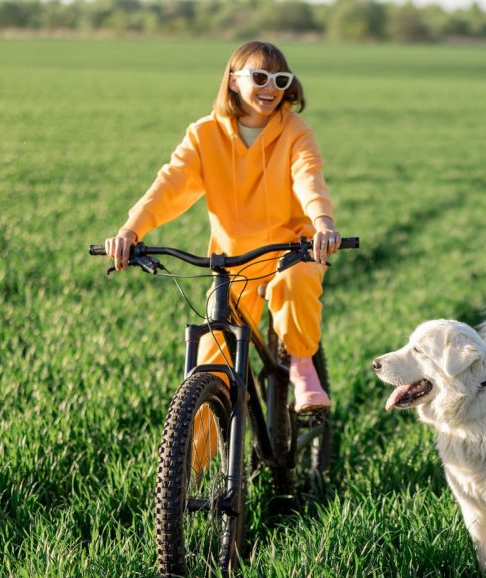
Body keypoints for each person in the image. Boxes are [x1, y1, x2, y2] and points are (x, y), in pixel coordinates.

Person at [104, 41, 339, 416]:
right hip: (231, 260)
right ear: (232, 81)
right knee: (211, 364)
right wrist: (132, 230)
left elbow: (308, 178)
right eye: (259, 77)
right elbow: (170, 185)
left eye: (280, 79)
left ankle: (302, 366)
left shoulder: (296, 132)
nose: (271, 88)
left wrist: (323, 223)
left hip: (293, 249)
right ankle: (189, 472)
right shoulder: (204, 135)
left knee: (295, 286)